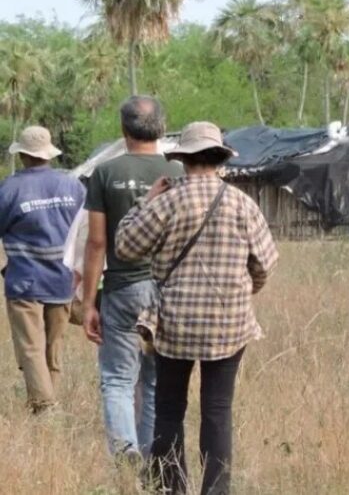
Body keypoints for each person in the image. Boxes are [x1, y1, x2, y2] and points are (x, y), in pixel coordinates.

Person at [115, 121, 278, 495]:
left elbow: (125, 246)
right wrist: (243, 294)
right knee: (218, 409)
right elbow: (264, 264)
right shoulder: (242, 204)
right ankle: (216, 490)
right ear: (220, 159)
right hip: (229, 323)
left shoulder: (169, 201)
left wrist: (147, 201)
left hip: (175, 323)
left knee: (169, 407)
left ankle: (171, 487)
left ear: (183, 160)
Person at [82, 96, 184, 462]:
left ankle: (125, 455)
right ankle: (150, 459)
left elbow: (96, 242)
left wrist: (89, 300)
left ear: (123, 128)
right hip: (167, 292)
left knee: (118, 380)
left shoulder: (104, 174)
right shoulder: (177, 173)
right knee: (155, 382)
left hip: (123, 290)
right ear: (161, 126)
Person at [0, 126, 85, 413]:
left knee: (31, 347)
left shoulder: (9, 189)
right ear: (48, 154)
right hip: (63, 281)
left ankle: (46, 407)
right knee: (53, 347)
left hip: (25, 281)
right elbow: (86, 229)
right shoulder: (73, 186)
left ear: (22, 155)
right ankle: (47, 404)